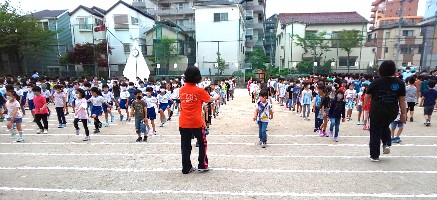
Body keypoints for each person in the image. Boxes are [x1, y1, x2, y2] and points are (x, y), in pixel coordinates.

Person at [179, 66, 218, 174]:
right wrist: (216, 97)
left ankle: (186, 167)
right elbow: (209, 99)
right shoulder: (199, 90)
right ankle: (202, 164)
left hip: (183, 122)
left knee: (185, 146)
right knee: (202, 143)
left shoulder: (181, 90)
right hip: (196, 122)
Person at [364, 60, 407, 162]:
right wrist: (404, 113)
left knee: (375, 131)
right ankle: (386, 143)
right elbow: (402, 100)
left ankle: (374, 155)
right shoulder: (400, 83)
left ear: (381, 70)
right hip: (392, 111)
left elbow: (367, 96)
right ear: (393, 70)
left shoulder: (376, 82)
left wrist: (365, 104)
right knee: (384, 125)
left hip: (377, 110)